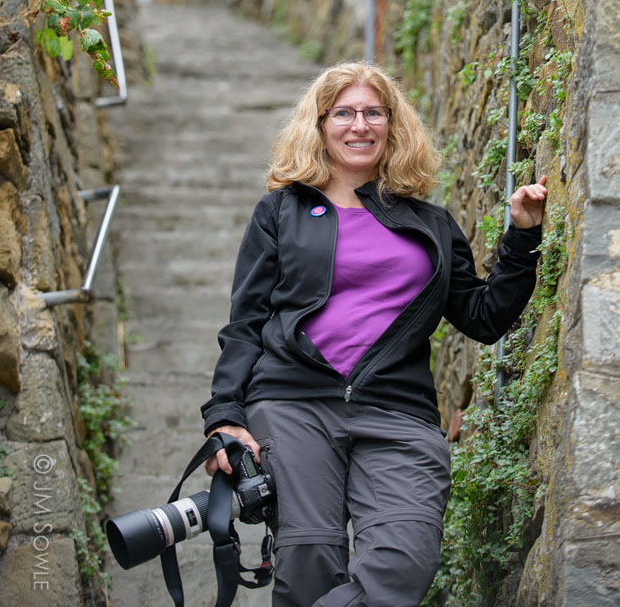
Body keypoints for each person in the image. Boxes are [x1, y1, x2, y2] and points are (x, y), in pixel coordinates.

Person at [201, 62, 547, 607]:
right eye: (343, 113)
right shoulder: (280, 212)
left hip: (398, 411)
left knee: (405, 560)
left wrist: (523, 238)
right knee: (310, 556)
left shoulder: (430, 224)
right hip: (293, 404)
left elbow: (484, 318)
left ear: (392, 125)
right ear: (320, 126)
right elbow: (245, 324)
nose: (359, 125)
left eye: (373, 113)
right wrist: (223, 417)